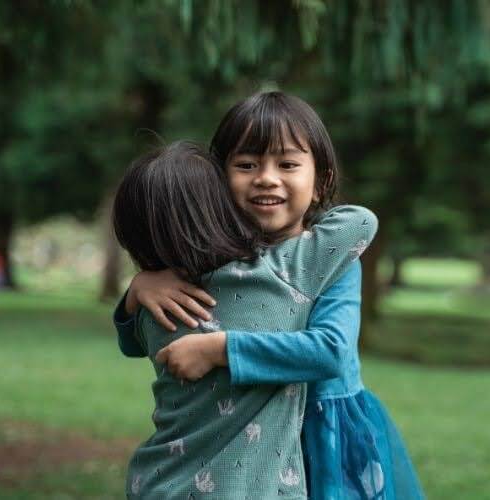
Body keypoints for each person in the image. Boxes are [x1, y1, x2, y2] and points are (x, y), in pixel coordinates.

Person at [115, 92, 425, 499]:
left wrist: (220, 349)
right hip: (259, 430)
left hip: (325, 422)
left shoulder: (330, 259)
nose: (266, 177)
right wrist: (138, 290)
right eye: (246, 165)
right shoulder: (215, 264)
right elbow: (138, 342)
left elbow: (331, 351)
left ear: (321, 182)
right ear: (218, 180)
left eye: (288, 164)